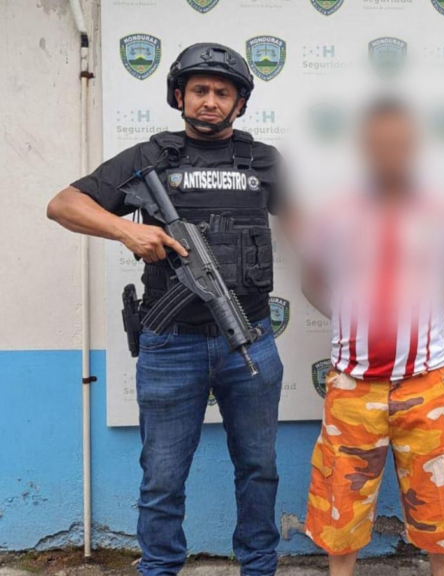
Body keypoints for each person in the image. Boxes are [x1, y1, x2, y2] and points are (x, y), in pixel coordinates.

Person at [47, 43, 292, 576]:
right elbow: (63, 204)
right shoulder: (150, 157)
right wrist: (127, 230)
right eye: (199, 90)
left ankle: (259, 566)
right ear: (179, 96)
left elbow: (306, 223)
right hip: (170, 342)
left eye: (222, 92)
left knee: (259, 467)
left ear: (240, 103)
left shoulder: (264, 161)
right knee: (162, 476)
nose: (210, 101)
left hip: (250, 339)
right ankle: (159, 567)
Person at [300, 99, 444, 576]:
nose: (389, 152)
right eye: (380, 143)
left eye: (399, 143)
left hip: (426, 385)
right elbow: (311, 278)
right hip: (352, 387)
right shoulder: (335, 213)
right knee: (341, 502)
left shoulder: (442, 211)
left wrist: (434, 321)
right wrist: (354, 317)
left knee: (438, 500)